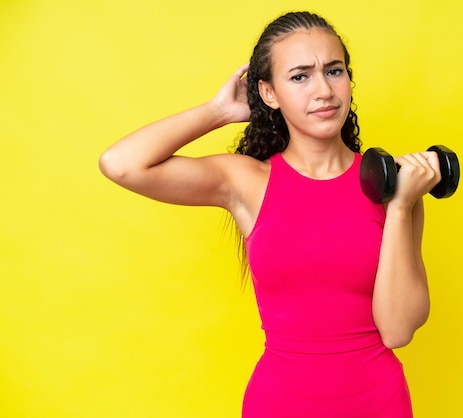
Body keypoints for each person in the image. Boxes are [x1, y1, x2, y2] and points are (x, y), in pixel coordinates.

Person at [99, 11, 441, 418]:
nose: (324, 90)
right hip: (279, 404)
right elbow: (120, 164)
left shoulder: (392, 187)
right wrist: (218, 111)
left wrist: (401, 207)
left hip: (377, 403)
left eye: (334, 71)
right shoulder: (246, 181)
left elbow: (399, 330)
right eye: (300, 76)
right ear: (268, 92)